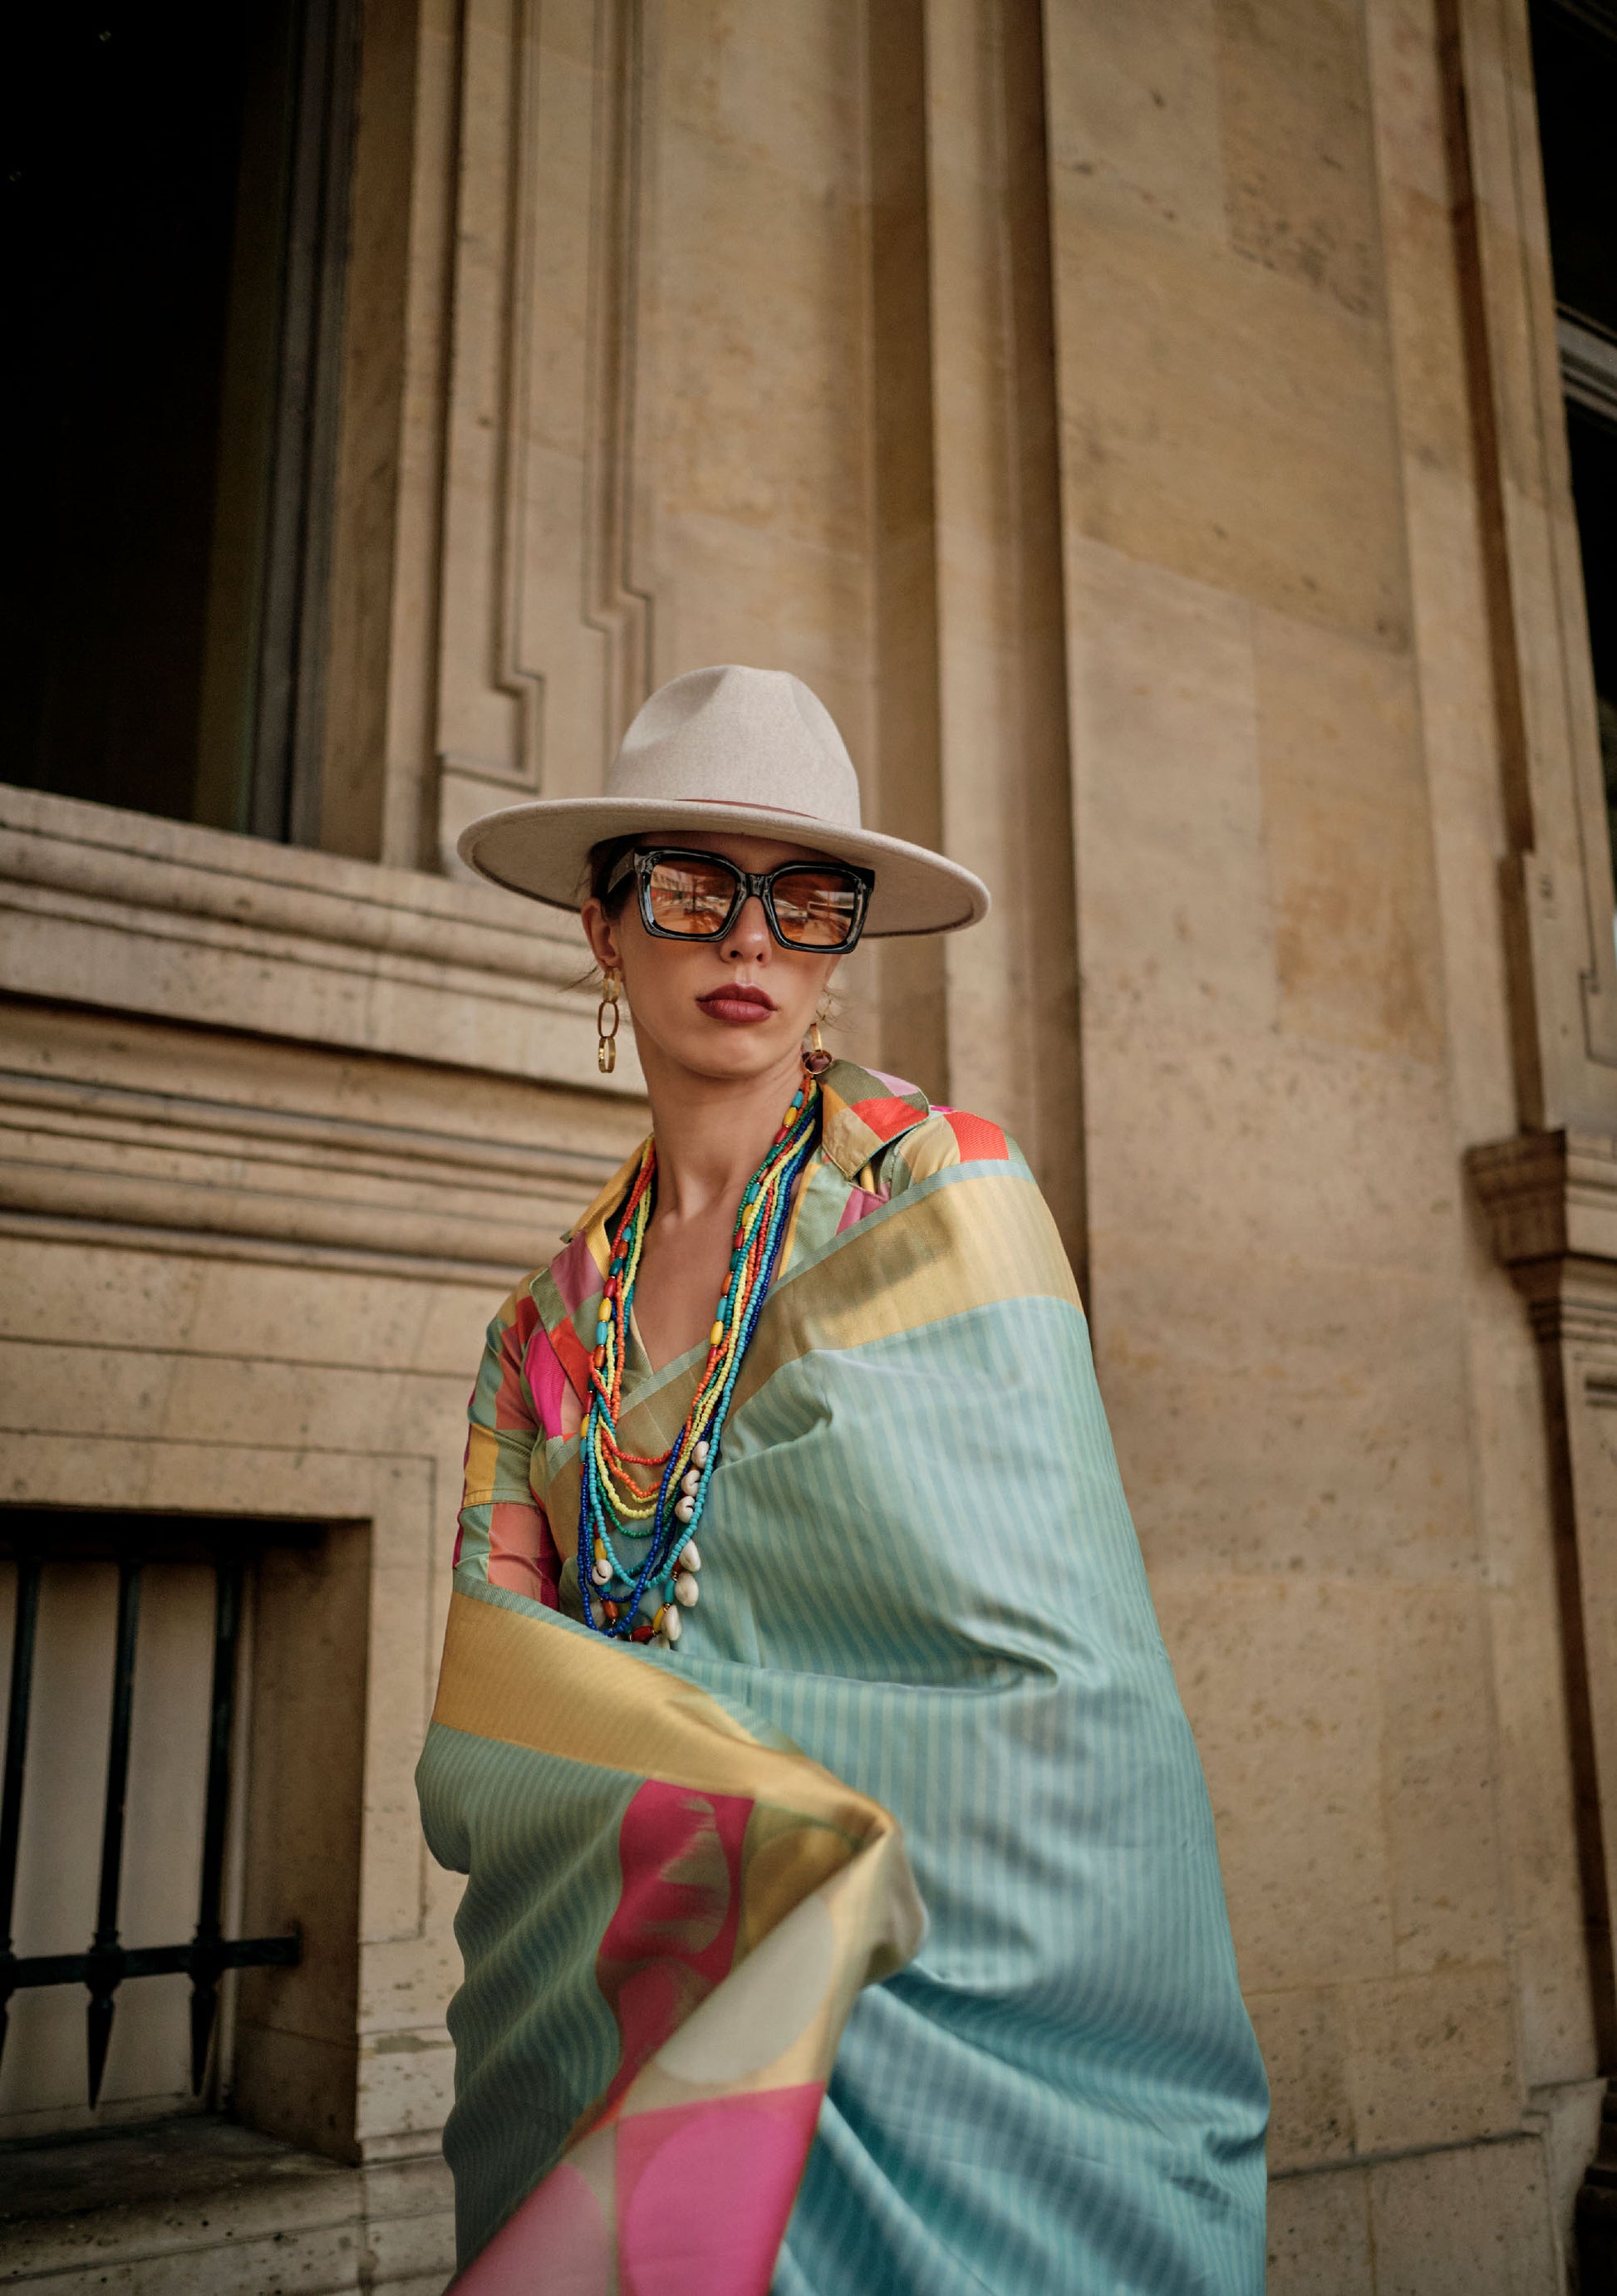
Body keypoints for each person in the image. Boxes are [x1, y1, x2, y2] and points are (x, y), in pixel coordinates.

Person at [416, 664, 1269, 2295]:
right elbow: (499, 1729)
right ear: (602, 928)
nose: (749, 940)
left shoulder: (940, 1193)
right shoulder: (539, 1332)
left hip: (943, 2019)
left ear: (839, 945)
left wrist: (791, 1845)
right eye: (693, 887)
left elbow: (1056, 1688)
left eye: (806, 900)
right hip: (625, 2007)